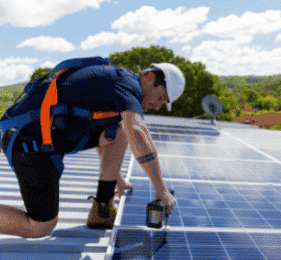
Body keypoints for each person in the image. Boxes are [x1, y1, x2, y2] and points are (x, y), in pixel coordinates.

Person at [0, 61, 184, 238]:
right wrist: (161, 189)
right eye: (160, 98)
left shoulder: (119, 85)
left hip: (46, 140)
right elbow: (137, 131)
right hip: (27, 142)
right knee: (40, 225)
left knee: (116, 131)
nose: (157, 106)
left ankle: (102, 206)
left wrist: (117, 179)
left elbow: (103, 129)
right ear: (150, 78)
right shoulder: (126, 85)